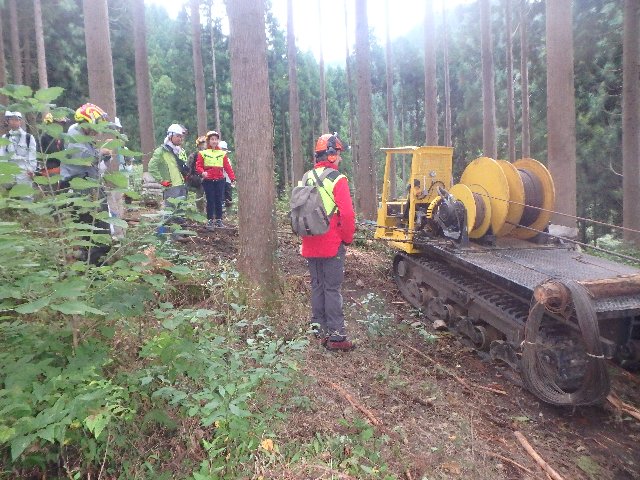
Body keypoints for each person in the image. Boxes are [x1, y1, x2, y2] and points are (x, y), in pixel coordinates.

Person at [301, 133, 356, 352]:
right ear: (331, 155)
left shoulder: (306, 177)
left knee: (317, 286)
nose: (340, 159)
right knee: (332, 289)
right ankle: (336, 336)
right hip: (331, 243)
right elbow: (348, 215)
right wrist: (347, 238)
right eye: (338, 154)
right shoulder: (338, 179)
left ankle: (318, 330)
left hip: (310, 242)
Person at [60, 103, 112, 264]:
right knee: (99, 236)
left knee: (90, 236)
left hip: (88, 187)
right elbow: (85, 159)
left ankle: (87, 269)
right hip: (84, 190)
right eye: (96, 125)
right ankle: (93, 272)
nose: (98, 131)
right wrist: (101, 152)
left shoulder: (80, 136)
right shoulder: (74, 137)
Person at [147, 123, 190, 239]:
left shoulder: (181, 151)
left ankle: (178, 233)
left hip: (181, 185)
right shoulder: (161, 151)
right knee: (169, 211)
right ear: (170, 136)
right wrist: (161, 180)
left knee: (180, 210)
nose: (180, 139)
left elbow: (183, 165)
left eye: (181, 137)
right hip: (171, 186)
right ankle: (161, 234)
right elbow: (151, 166)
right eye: (177, 136)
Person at [195, 130, 235, 229]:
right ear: (208, 141)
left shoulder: (222, 153)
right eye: (212, 139)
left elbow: (227, 167)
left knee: (219, 200)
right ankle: (210, 220)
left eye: (216, 139)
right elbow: (198, 166)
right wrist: (202, 172)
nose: (214, 141)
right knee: (210, 200)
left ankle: (219, 220)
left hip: (220, 180)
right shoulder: (202, 153)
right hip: (208, 180)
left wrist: (232, 178)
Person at [0, 111, 37, 188]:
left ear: (20, 121)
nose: (14, 122)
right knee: (10, 196)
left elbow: (32, 155)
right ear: (8, 121)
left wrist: (31, 169)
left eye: (16, 119)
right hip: (10, 171)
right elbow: (2, 155)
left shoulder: (29, 137)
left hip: (24, 171)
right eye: (11, 119)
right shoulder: (5, 137)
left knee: (26, 196)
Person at [39, 112, 68, 177]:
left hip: (60, 171)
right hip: (47, 172)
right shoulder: (43, 138)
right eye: (58, 124)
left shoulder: (61, 139)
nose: (61, 126)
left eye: (62, 124)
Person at [187, 135, 207, 214]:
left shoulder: (210, 155)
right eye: (201, 143)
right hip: (195, 178)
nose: (203, 145)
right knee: (199, 197)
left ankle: (209, 214)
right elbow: (188, 167)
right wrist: (190, 176)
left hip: (207, 178)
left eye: (205, 143)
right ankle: (200, 212)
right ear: (198, 145)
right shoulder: (194, 155)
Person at [219, 140, 233, 208]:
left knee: (228, 198)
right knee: (221, 197)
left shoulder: (228, 160)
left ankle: (228, 211)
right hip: (221, 181)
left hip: (228, 181)